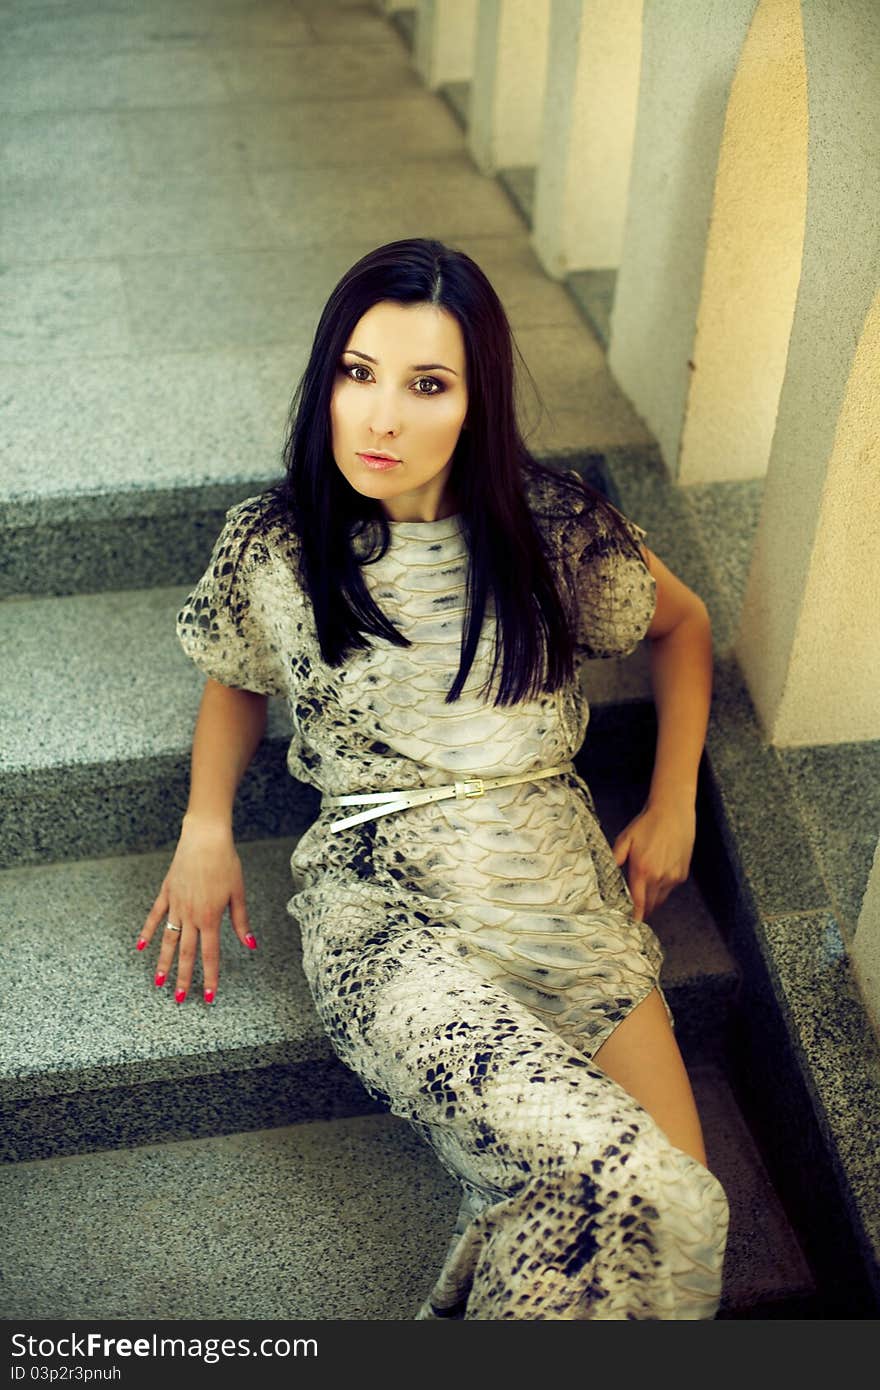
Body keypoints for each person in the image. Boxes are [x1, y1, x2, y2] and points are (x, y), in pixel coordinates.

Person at [136, 237, 730, 1320]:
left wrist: (674, 799)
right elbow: (235, 677)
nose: (381, 418)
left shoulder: (552, 528)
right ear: (327, 379)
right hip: (386, 908)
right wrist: (206, 823)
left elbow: (682, 624)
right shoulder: (275, 545)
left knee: (681, 1215)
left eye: (427, 384)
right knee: (618, 1174)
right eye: (358, 374)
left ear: (477, 402)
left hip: (561, 902)